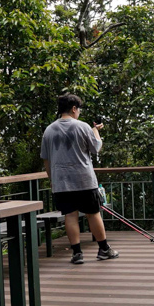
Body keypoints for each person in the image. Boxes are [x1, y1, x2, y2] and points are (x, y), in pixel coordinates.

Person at [41, 93, 119, 264]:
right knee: (93, 213)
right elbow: (96, 148)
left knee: (70, 215)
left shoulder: (49, 130)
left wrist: (52, 180)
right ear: (74, 108)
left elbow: (46, 160)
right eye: (79, 110)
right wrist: (96, 131)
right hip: (83, 179)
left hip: (61, 182)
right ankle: (104, 249)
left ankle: (77, 253)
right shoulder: (82, 126)